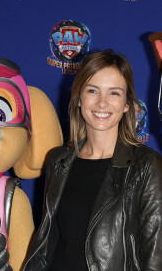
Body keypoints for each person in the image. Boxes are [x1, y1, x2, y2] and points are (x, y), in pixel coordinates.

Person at [24, 50, 162, 271]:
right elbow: (48, 242)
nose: (102, 103)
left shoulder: (146, 165)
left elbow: (156, 257)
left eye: (114, 93)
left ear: (127, 104)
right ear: (79, 98)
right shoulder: (58, 161)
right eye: (92, 91)